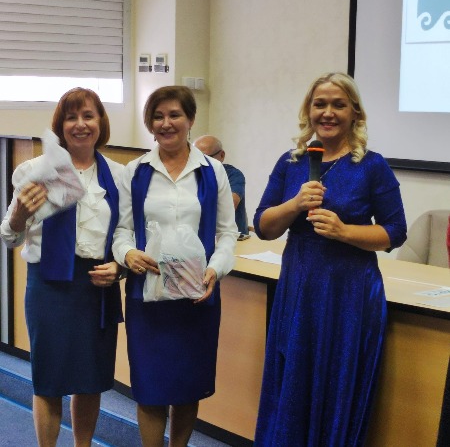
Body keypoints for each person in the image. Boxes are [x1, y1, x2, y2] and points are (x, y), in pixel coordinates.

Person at [253, 72, 407, 446]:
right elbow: (263, 226)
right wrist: (294, 204)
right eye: (320, 104)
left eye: (339, 105)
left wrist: (345, 231)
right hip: (299, 289)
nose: (328, 113)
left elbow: (395, 232)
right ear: (308, 110)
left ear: (355, 113)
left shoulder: (372, 166)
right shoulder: (291, 162)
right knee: (293, 379)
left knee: (337, 381)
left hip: (349, 294)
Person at [112, 85, 238, 446]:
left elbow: (227, 233)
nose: (166, 123)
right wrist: (127, 254)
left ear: (191, 119)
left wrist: (216, 268)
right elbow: (121, 231)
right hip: (147, 298)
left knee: (187, 388)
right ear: (150, 124)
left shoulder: (213, 171)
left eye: (174, 115)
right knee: (150, 388)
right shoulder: (134, 172)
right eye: (158, 116)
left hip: (196, 297)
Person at [0, 88, 124, 447]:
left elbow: (126, 234)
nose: (80, 124)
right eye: (71, 117)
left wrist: (119, 267)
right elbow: (9, 237)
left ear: (101, 122)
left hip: (96, 285)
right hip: (49, 286)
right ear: (60, 125)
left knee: (90, 380)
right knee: (49, 381)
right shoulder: (34, 170)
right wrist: (20, 215)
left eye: (88, 116)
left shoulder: (119, 175)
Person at [193, 135, 249, 236]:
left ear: (222, 155)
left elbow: (228, 208)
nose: (200, 164)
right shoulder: (192, 175)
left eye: (205, 158)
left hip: (232, 237)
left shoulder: (233, 175)